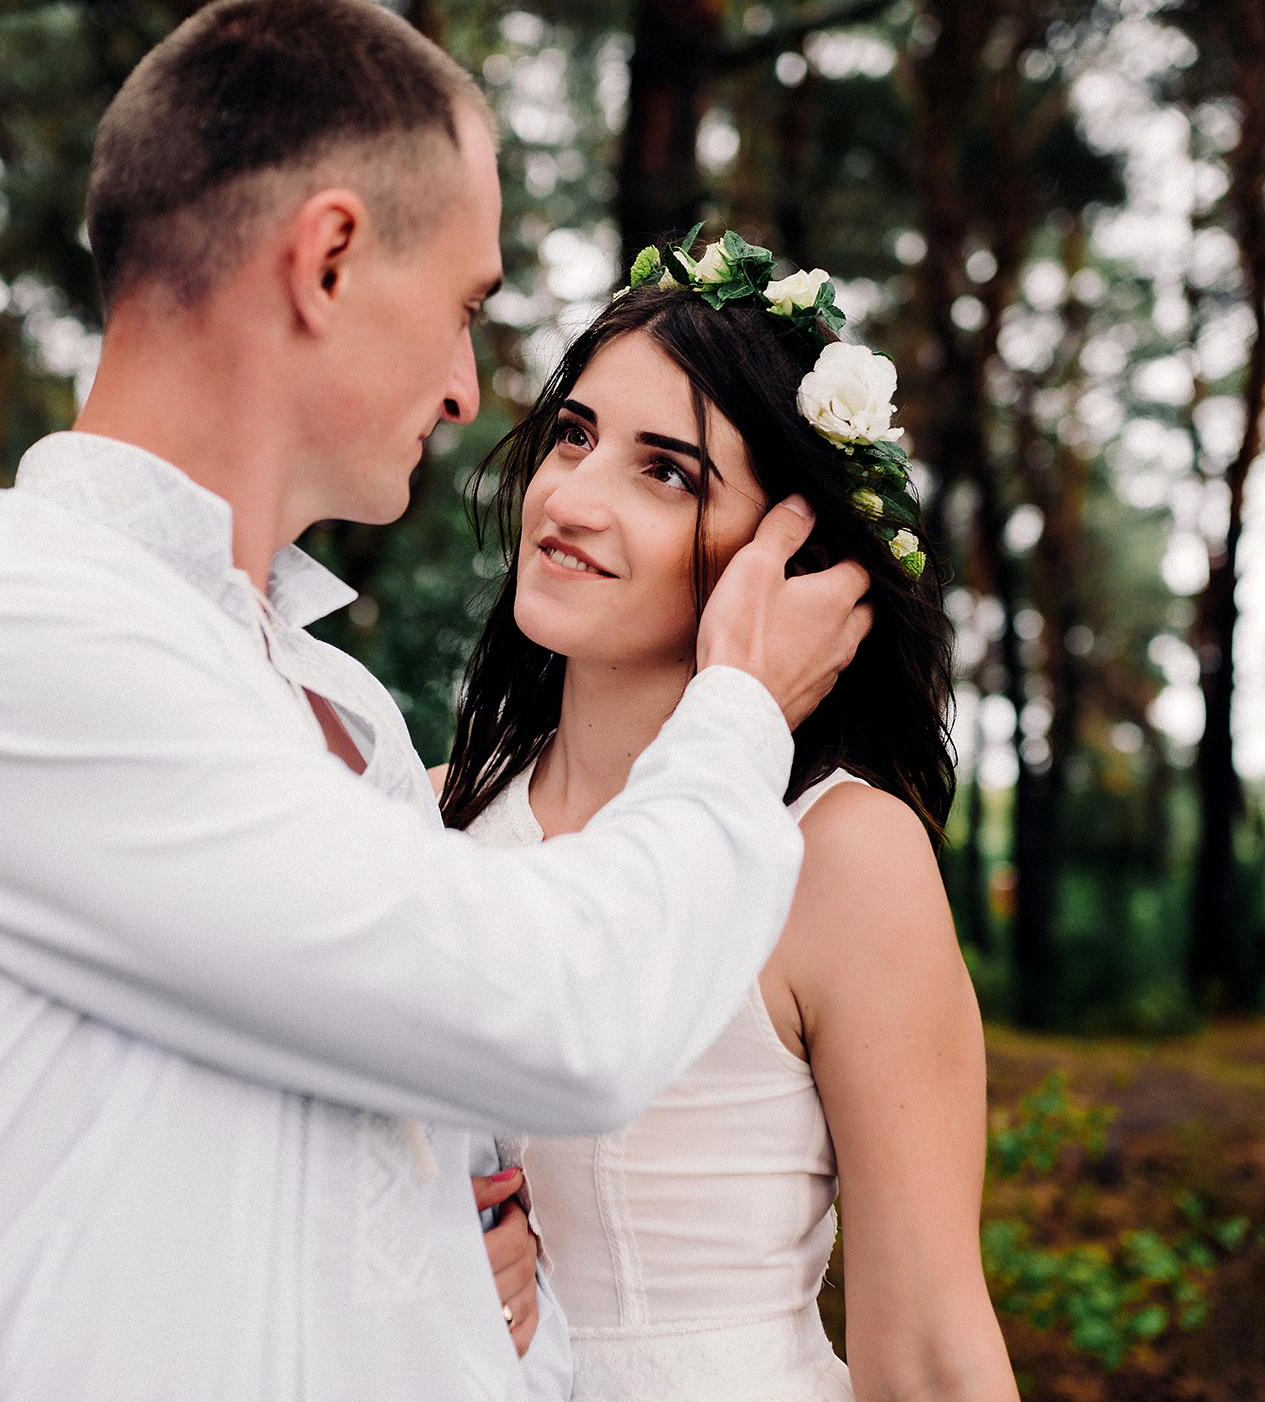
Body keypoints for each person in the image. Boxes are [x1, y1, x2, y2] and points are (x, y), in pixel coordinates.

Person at [0, 3, 873, 1400]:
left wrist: (503, 1300)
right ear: (330, 259)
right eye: (465, 307)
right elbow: (562, 1016)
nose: (469, 391)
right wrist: (741, 709)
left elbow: (422, 1207)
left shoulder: (339, 706)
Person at [434, 237, 1018, 1401]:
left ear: (790, 556)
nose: (571, 500)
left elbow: (930, 1353)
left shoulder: (841, 854)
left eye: (668, 473)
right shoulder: (440, 808)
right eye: (574, 435)